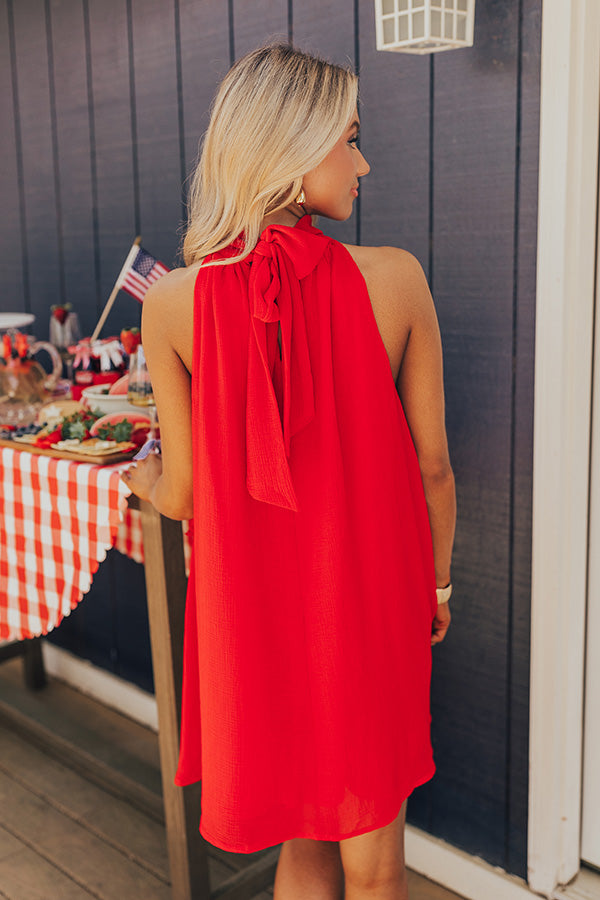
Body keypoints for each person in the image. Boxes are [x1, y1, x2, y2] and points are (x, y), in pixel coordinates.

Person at [122, 43, 455, 900]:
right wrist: (439, 590)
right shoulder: (398, 281)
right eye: (348, 139)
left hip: (256, 620)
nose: (364, 161)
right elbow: (434, 470)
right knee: (374, 863)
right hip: (370, 601)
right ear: (289, 150)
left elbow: (184, 492)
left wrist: (140, 482)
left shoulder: (172, 302)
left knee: (303, 841)